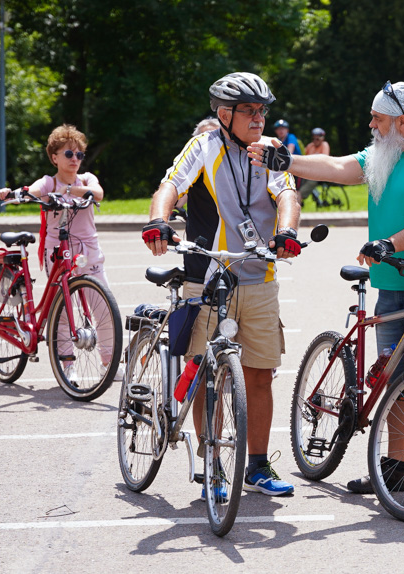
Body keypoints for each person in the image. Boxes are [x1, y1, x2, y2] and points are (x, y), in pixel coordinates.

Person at [249, 80, 404, 501]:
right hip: (391, 285)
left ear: (403, 122)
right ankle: (397, 469)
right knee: (394, 381)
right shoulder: (383, 154)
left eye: (378, 119)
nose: (371, 125)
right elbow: (338, 167)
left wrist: (391, 243)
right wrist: (284, 159)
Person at [142, 72, 302, 498]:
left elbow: (287, 195)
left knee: (261, 377)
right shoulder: (205, 146)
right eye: (250, 111)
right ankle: (211, 466)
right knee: (206, 376)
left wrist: (286, 233)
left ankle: (257, 466)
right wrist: (158, 220)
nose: (259, 118)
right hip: (208, 276)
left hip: (259, 277)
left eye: (263, 111)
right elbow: (170, 186)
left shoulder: (269, 152)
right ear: (225, 113)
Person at [0, 124, 122, 383]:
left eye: (79, 154)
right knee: (62, 312)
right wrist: (13, 195)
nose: (75, 159)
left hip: (89, 250)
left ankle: (108, 363)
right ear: (54, 157)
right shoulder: (48, 182)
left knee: (104, 308)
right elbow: (29, 192)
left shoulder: (86, 179)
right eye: (68, 154)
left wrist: (67, 191)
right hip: (58, 250)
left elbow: (97, 193)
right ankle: (67, 365)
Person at [297, 127, 331, 204]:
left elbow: (324, 158)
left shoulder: (324, 145)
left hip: (319, 172)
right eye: (314, 139)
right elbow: (303, 157)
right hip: (308, 171)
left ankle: (300, 196)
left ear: (322, 138)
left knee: (302, 191)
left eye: (317, 139)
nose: (315, 141)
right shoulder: (310, 146)